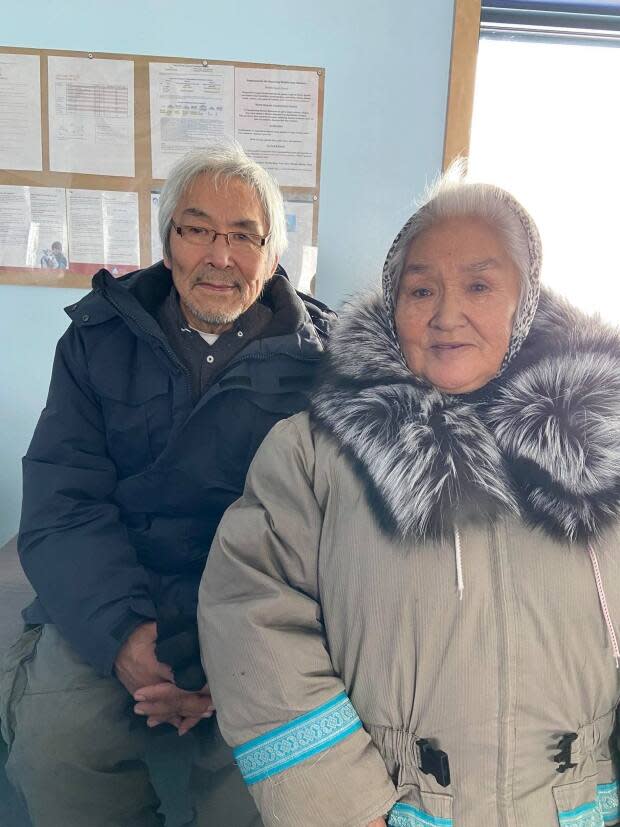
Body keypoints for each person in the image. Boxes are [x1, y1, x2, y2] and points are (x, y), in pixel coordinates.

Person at [199, 170, 620, 827]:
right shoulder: (315, 451)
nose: (447, 315)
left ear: (525, 299)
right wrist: (343, 805)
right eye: (422, 289)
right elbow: (249, 612)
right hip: (393, 809)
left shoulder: (602, 446)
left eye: (479, 284)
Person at [0, 142, 335, 827]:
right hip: (121, 592)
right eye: (197, 228)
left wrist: (225, 650)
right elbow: (63, 503)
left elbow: (331, 531)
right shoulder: (97, 340)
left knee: (267, 787)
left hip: (260, 613)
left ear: (275, 257)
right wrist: (125, 636)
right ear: (167, 243)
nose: (220, 254)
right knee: (56, 748)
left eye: (245, 234)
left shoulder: (327, 364)